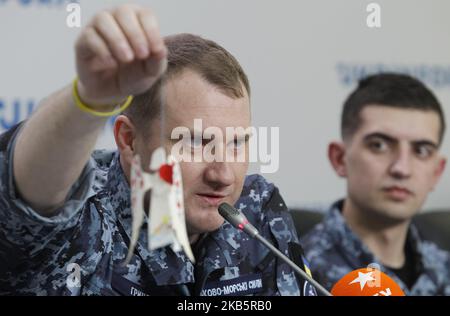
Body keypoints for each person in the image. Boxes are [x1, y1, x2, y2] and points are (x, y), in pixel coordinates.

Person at [0, 4, 314, 296]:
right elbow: (27, 194)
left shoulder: (258, 209)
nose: (224, 175)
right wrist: (90, 99)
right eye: (195, 143)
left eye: (236, 144)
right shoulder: (81, 213)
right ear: (129, 140)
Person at [301, 73, 450, 295]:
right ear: (340, 158)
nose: (402, 168)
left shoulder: (443, 267)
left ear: (436, 172)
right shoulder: (298, 273)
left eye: (421, 150)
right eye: (379, 145)